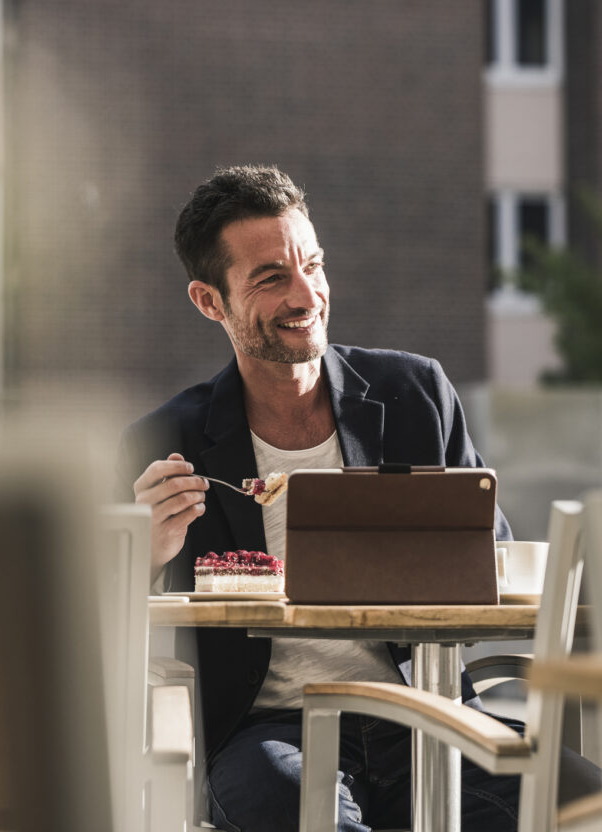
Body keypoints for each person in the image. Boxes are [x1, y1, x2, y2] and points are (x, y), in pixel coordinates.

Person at [116, 165, 598, 831]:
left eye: (311, 264)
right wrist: (140, 554)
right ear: (209, 301)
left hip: (425, 714)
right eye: (270, 278)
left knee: (576, 808)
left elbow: (494, 557)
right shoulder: (167, 440)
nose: (304, 294)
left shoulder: (416, 394)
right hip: (268, 732)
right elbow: (97, 629)